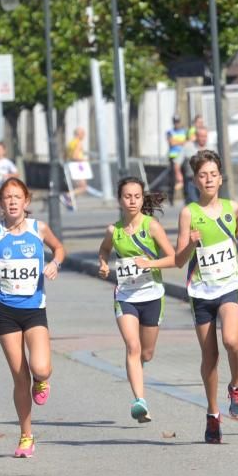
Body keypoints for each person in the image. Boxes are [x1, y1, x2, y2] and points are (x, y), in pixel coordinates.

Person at [0, 178, 65, 458]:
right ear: (0, 203)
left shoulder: (38, 229)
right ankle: (26, 436)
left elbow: (60, 249)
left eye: (16, 197)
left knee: (41, 368)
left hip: (34, 310)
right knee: (20, 377)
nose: (12, 202)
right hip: (6, 311)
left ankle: (42, 380)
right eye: (7, 197)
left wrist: (54, 264)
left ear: (26, 202)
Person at [174, 149, 238, 443]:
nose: (208, 179)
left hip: (230, 284)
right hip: (201, 289)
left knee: (231, 340)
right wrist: (190, 244)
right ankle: (212, 414)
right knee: (210, 355)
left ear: (220, 178)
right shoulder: (189, 213)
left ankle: (237, 384)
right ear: (195, 181)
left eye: (213, 174)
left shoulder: (232, 207)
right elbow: (179, 259)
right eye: (202, 175)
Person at [97, 177, 175, 423]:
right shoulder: (114, 230)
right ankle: (140, 401)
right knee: (133, 347)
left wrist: (149, 263)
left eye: (137, 196)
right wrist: (102, 264)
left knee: (146, 353)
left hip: (152, 295)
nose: (132, 201)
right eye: (127, 196)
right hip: (125, 296)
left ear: (142, 199)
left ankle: (137, 368)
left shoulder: (151, 226)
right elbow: (104, 250)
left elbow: (173, 258)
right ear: (120, 200)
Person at [180, 126, 210, 204]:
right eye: (201, 136)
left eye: (205, 136)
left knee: (206, 203)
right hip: (192, 181)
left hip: (206, 181)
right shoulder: (188, 146)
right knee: (193, 204)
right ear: (196, 136)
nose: (203, 138)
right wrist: (178, 175)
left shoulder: (211, 148)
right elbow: (177, 162)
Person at [163, 116, 188, 206]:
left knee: (185, 178)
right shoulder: (170, 132)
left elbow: (186, 142)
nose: (176, 123)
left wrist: (176, 141)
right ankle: (171, 199)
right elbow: (171, 143)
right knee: (172, 179)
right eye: (175, 122)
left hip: (183, 157)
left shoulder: (184, 131)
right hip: (173, 157)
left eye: (177, 122)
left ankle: (186, 198)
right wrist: (181, 142)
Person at [61, 126, 88, 209]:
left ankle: (70, 203)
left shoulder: (70, 143)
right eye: (83, 133)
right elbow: (75, 156)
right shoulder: (78, 143)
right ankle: (67, 196)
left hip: (70, 165)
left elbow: (64, 156)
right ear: (79, 134)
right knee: (83, 187)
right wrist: (84, 159)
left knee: (76, 187)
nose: (84, 136)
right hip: (78, 166)